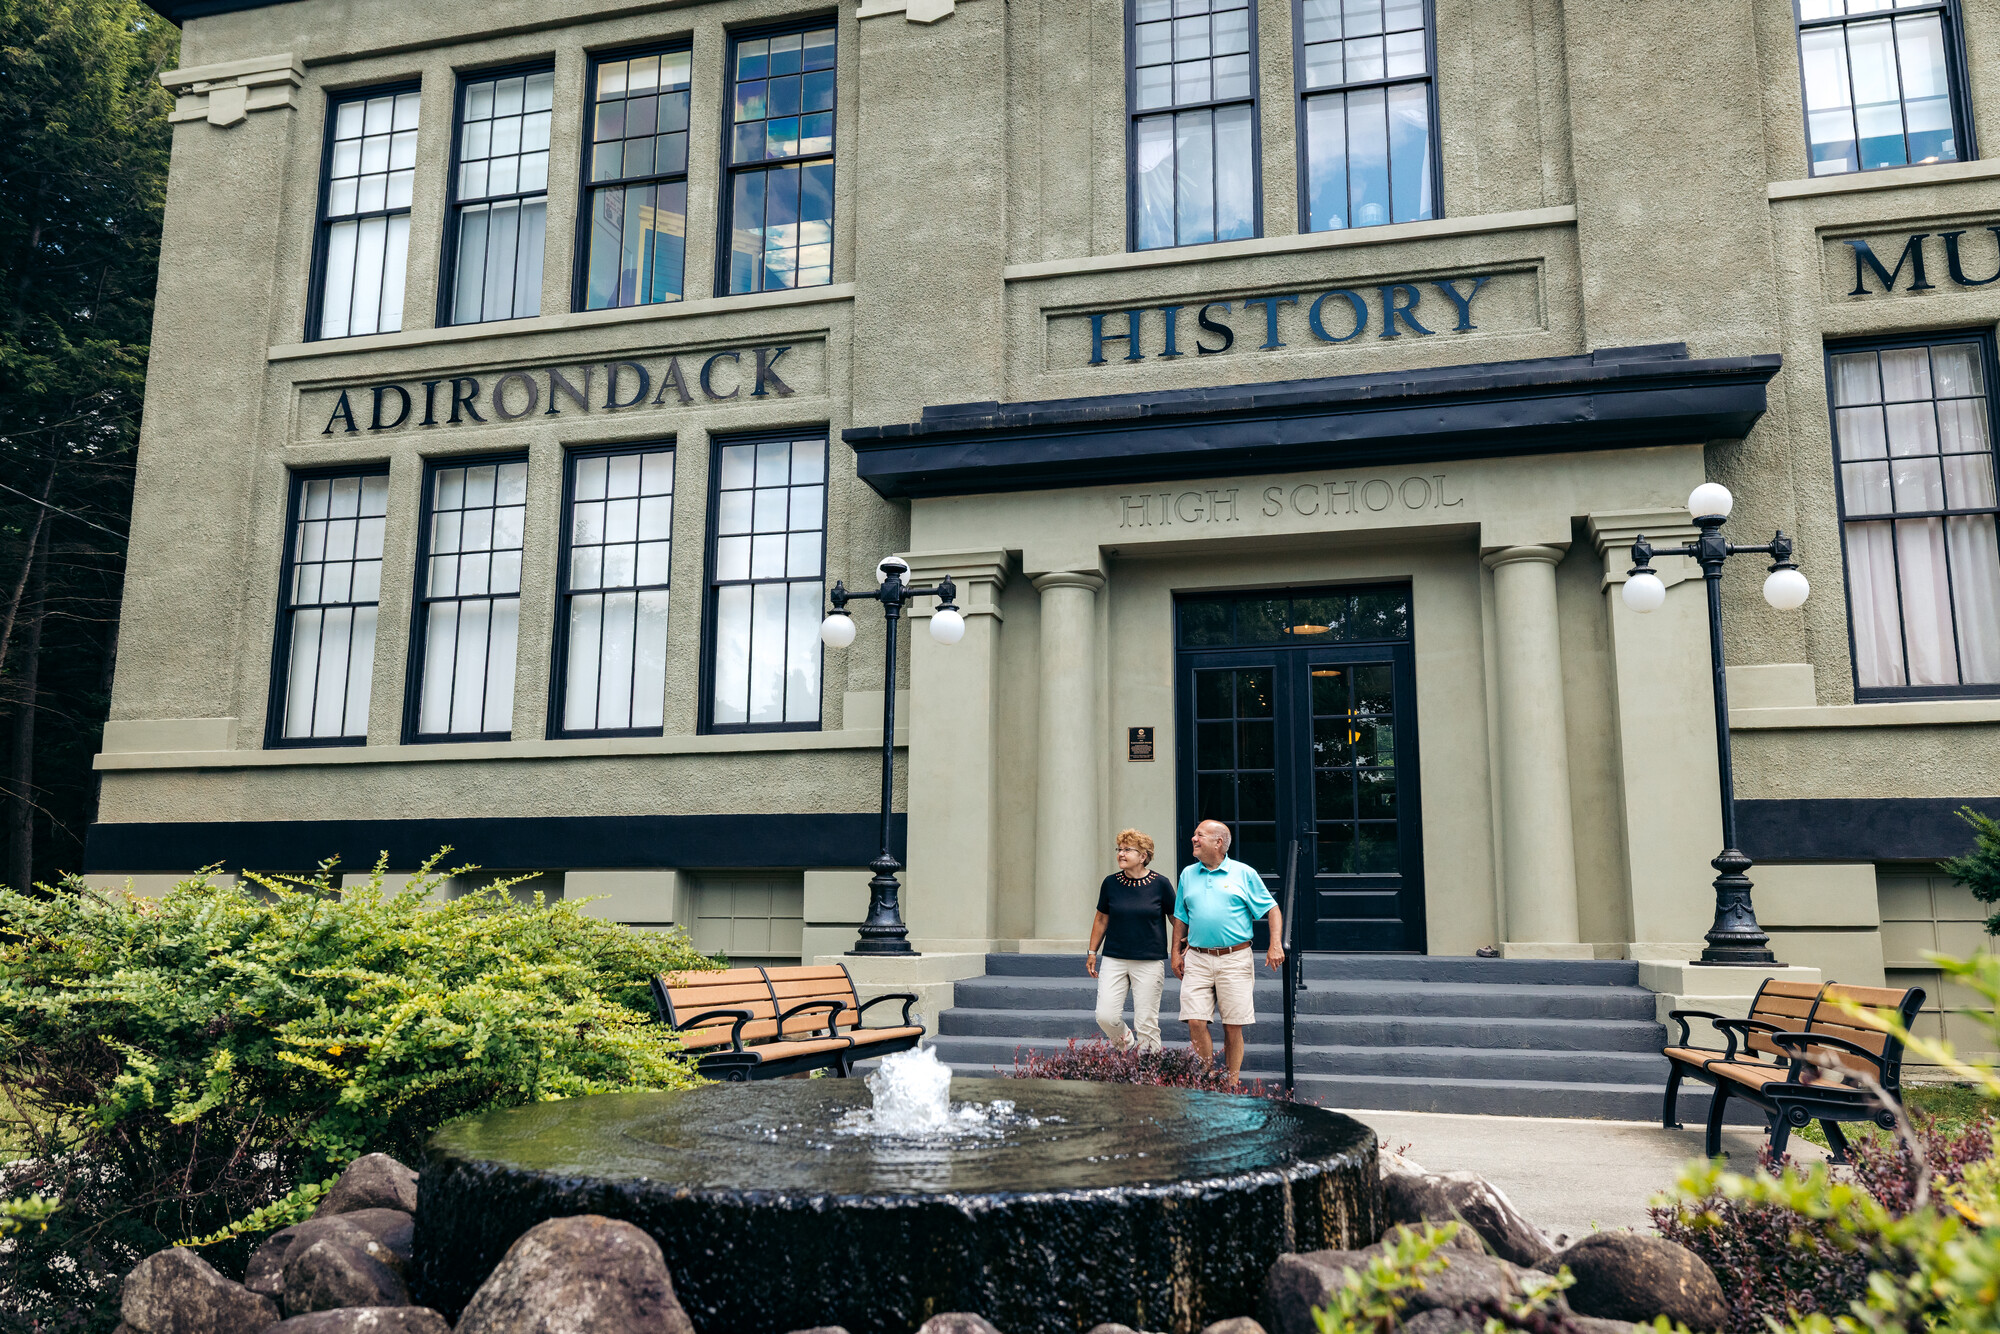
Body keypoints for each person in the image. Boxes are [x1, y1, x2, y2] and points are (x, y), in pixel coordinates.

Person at [1171, 819, 1283, 1084]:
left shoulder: (1244, 873)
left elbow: (1272, 909)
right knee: (1195, 1020)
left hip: (1234, 959)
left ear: (1218, 842)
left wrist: (1275, 943)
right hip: (1197, 957)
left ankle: (1231, 1085)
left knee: (1232, 1026)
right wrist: (1175, 952)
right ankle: (1208, 1081)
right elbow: (1180, 916)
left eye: (1200, 835)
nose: (1193, 839)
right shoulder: (1188, 874)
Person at [1086, 828, 1173, 1052]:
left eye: (1127, 850)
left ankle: (1149, 1072)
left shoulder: (1160, 884)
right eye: (1119, 849)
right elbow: (1101, 919)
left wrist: (1184, 948)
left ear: (1143, 856)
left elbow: (1176, 919)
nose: (1121, 854)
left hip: (1149, 960)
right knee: (1105, 1016)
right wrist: (1092, 952)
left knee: (1146, 1022)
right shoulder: (1110, 883)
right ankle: (1127, 1048)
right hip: (1115, 958)